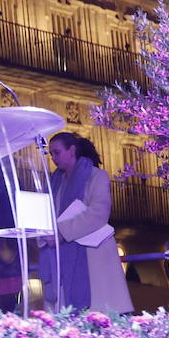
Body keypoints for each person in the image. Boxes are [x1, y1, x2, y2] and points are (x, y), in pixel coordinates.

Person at [37, 132, 132, 313]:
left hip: (91, 253)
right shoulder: (55, 182)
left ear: (72, 150)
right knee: (67, 313)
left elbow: (99, 212)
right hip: (62, 253)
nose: (53, 158)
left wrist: (63, 232)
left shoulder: (97, 176)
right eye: (51, 154)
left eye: (57, 152)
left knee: (98, 312)